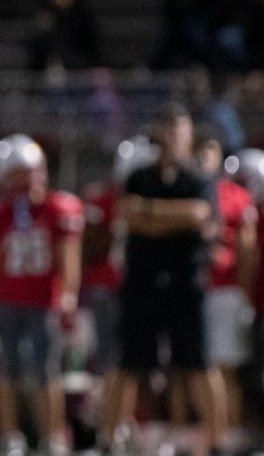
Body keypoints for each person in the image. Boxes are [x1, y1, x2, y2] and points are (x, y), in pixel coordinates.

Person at [111, 103, 224, 456]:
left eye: (180, 129)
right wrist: (175, 217)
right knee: (129, 363)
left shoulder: (200, 179)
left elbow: (200, 216)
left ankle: (216, 442)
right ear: (159, 134)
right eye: (169, 129)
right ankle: (107, 439)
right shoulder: (140, 176)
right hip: (143, 282)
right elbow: (129, 215)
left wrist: (151, 212)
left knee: (198, 364)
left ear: (189, 135)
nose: (174, 137)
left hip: (186, 284)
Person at [0, 134, 83, 456]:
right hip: (8, 299)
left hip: (44, 300)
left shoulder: (58, 208)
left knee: (46, 371)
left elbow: (69, 256)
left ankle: (53, 436)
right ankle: (11, 436)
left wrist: (69, 295)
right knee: (7, 370)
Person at [81, 137, 157, 452]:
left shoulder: (152, 199)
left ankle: (119, 424)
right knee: (116, 362)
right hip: (110, 287)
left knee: (130, 363)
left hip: (138, 287)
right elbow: (92, 249)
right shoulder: (104, 199)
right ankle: (110, 430)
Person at [194, 130, 257, 450]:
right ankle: (208, 435)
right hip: (192, 289)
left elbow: (246, 249)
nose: (205, 158)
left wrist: (245, 292)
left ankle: (226, 434)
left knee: (225, 368)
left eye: (211, 150)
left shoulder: (235, 196)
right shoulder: (187, 191)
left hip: (226, 290)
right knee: (193, 370)